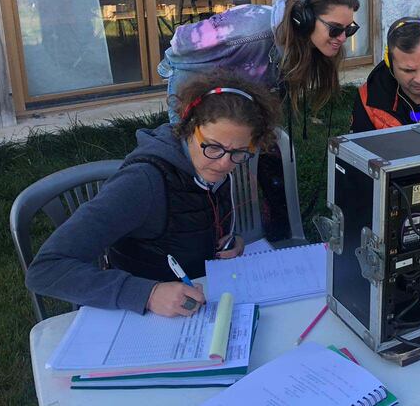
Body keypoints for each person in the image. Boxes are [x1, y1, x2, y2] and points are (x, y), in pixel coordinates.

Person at [25, 72, 281, 317]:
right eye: (214, 147)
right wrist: (147, 293)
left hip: (198, 301)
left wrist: (229, 241)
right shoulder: (143, 183)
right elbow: (46, 269)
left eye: (239, 153)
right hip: (137, 317)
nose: (225, 164)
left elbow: (188, 225)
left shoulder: (210, 167)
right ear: (189, 126)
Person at [158, 0, 360, 240]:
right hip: (195, 82)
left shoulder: (295, 40)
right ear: (303, 18)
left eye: (349, 30)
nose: (342, 38)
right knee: (200, 166)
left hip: (244, 89)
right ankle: (199, 238)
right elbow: (180, 45)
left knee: (270, 150)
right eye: (335, 29)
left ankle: (277, 232)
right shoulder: (250, 30)